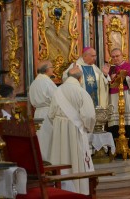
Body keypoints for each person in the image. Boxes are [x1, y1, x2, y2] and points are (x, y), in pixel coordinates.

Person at [48, 66, 95, 194]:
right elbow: (89, 115)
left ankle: (60, 191)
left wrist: (59, 124)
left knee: (60, 158)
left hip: (59, 131)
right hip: (76, 131)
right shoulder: (81, 92)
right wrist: (87, 128)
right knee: (77, 160)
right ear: (80, 79)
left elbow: (50, 114)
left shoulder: (57, 91)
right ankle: (79, 191)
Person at [29, 60, 57, 161]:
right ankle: (49, 161)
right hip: (47, 113)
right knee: (48, 137)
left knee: (40, 138)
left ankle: (41, 160)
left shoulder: (34, 82)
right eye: (52, 67)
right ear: (46, 70)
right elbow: (55, 98)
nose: (53, 69)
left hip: (38, 112)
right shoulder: (47, 82)